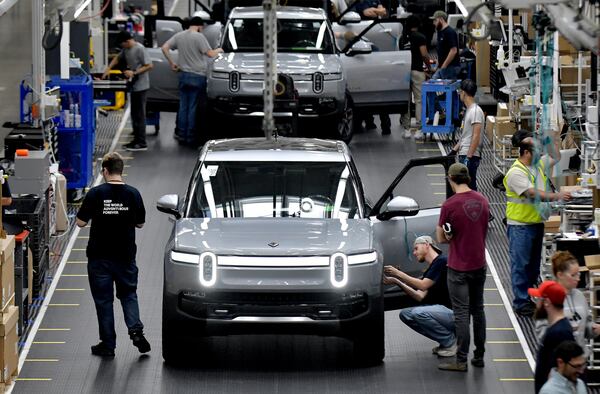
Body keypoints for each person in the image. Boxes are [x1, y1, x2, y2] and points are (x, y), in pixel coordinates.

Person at [76, 152, 149, 357]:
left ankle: (108, 345)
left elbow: (80, 223)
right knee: (128, 294)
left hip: (99, 258)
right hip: (125, 257)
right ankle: (136, 331)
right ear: (121, 170)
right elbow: (140, 223)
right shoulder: (133, 193)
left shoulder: (96, 193)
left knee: (104, 301)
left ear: (105, 171)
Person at [503, 131, 572, 317]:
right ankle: (521, 302)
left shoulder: (538, 165)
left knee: (533, 267)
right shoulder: (516, 172)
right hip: (520, 226)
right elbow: (531, 193)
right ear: (526, 153)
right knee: (520, 265)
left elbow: (556, 156)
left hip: (535, 223)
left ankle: (528, 297)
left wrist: (551, 139)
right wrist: (556, 196)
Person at [436, 163, 489, 372]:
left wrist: (451, 235)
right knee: (479, 310)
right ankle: (480, 356)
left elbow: (441, 238)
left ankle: (460, 360)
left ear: (450, 179)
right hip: (479, 264)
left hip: (458, 267)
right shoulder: (483, 201)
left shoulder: (449, 205)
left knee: (461, 313)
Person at [383, 236, 456, 357]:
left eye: (416, 248)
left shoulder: (442, 261)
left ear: (427, 245)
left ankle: (450, 343)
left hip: (454, 314)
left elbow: (423, 285)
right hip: (444, 314)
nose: (414, 252)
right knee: (406, 314)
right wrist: (396, 281)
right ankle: (445, 340)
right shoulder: (431, 269)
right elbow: (419, 296)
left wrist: (398, 273)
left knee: (418, 313)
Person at [161, 16, 224, 146]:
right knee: (193, 107)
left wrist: (172, 63)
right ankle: (190, 137)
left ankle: (182, 135)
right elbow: (211, 54)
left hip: (184, 75)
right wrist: (220, 50)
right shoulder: (199, 37)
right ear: (199, 26)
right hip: (198, 76)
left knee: (183, 106)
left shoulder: (179, 36)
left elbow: (164, 47)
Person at [536, 251, 600, 352]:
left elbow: (586, 326)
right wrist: (565, 331)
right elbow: (542, 334)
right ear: (560, 275)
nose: (578, 278)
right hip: (558, 360)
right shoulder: (548, 299)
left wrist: (593, 329)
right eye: (573, 275)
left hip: (578, 360)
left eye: (578, 273)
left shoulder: (579, 296)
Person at [103, 31, 153, 152]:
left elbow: (149, 65)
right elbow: (117, 57)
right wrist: (108, 69)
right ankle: (136, 139)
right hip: (134, 86)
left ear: (127, 41)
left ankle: (141, 142)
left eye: (122, 44)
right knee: (134, 114)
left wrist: (134, 72)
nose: (122, 47)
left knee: (139, 115)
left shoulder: (140, 49)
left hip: (141, 86)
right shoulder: (126, 50)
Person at [529, 281, 575, 393]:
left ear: (547, 302)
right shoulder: (556, 329)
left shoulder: (559, 333)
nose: (537, 302)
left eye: (539, 298)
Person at [449, 80, 484, 191]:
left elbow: (476, 135)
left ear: (464, 93)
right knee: (464, 187)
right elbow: (466, 135)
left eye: (460, 91)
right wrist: (454, 150)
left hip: (470, 156)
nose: (459, 94)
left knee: (469, 187)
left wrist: (468, 157)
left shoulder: (475, 111)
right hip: (465, 153)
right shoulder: (469, 110)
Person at [401, 15, 430, 140]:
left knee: (405, 101)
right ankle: (419, 130)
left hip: (404, 73)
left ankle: (407, 130)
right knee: (419, 100)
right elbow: (424, 54)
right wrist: (429, 66)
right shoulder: (420, 37)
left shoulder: (402, 38)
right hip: (417, 71)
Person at [430, 10, 460, 80]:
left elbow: (453, 51)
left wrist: (444, 66)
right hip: (443, 67)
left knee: (448, 89)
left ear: (441, 19)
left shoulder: (450, 32)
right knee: (433, 82)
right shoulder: (440, 32)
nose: (433, 23)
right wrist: (437, 67)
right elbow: (440, 52)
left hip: (451, 67)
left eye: (435, 20)